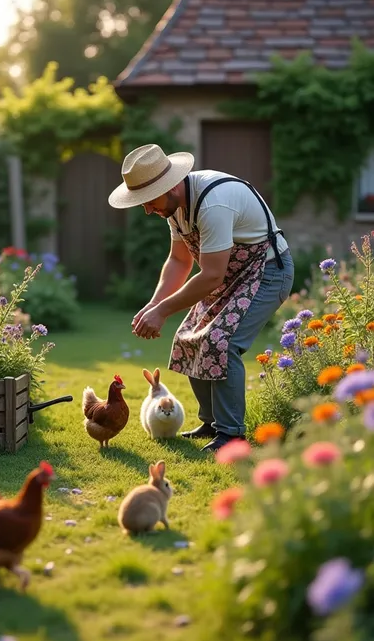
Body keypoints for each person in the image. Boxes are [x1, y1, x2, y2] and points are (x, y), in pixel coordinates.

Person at [108, 144, 294, 452]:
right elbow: (179, 261)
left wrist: (163, 312)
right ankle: (212, 423)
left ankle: (232, 435)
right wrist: (154, 306)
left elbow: (210, 276)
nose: (146, 209)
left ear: (168, 186)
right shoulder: (174, 207)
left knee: (223, 341)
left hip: (267, 272)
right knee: (188, 337)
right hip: (227, 276)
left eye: (148, 200)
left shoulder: (213, 204)